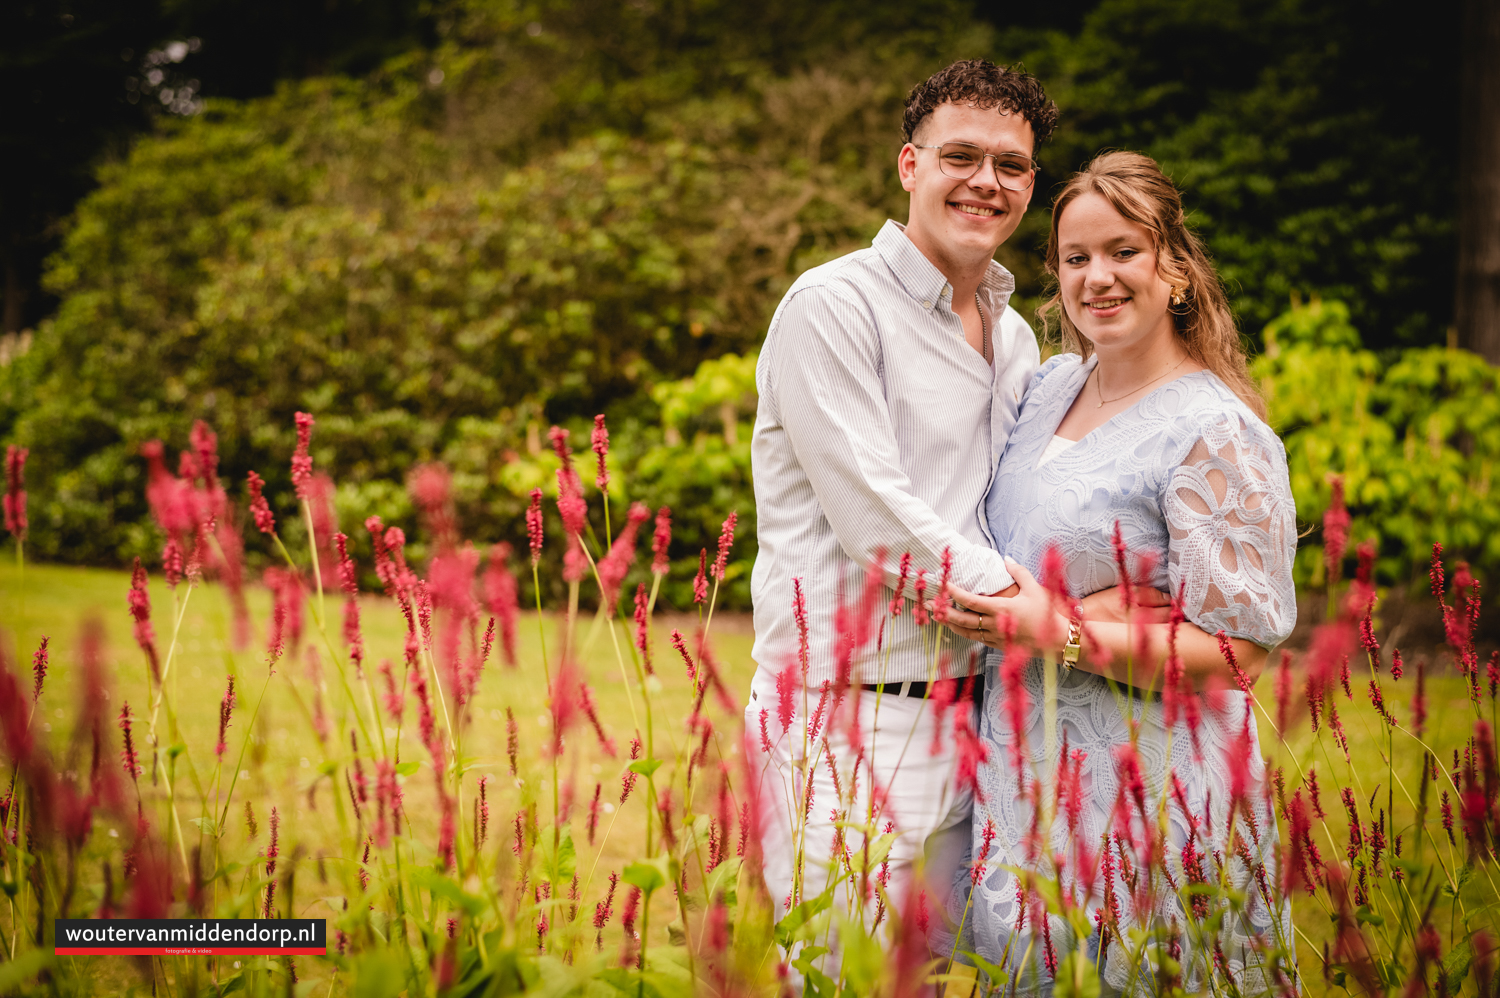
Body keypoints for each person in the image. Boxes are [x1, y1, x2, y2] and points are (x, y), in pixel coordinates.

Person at [745, 61, 1148, 967]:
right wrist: (1046, 612)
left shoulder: (1012, 335)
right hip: (841, 727)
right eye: (960, 156)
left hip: (980, 724)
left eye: (1011, 165)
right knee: (839, 980)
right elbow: (878, 518)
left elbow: (1011, 507)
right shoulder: (832, 306)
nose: (986, 181)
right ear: (908, 165)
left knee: (951, 980)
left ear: (1031, 185)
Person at [942, 151, 1297, 994]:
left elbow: (1241, 653)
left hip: (1155, 787)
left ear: (1174, 268)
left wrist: (1062, 632)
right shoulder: (1046, 390)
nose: (1097, 277)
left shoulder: (1216, 430)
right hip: (1028, 776)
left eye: (1122, 252)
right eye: (1076, 258)